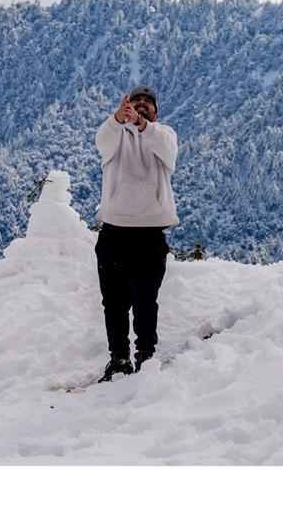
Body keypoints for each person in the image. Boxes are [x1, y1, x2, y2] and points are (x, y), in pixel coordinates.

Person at [93, 85, 178, 382]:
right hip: (114, 230)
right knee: (113, 303)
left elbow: (167, 150)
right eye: (136, 101)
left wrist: (141, 126)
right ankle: (118, 357)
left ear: (156, 112)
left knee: (145, 301)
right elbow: (101, 141)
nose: (141, 105)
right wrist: (119, 119)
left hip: (150, 234)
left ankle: (145, 354)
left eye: (147, 103)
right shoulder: (114, 134)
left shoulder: (164, 135)